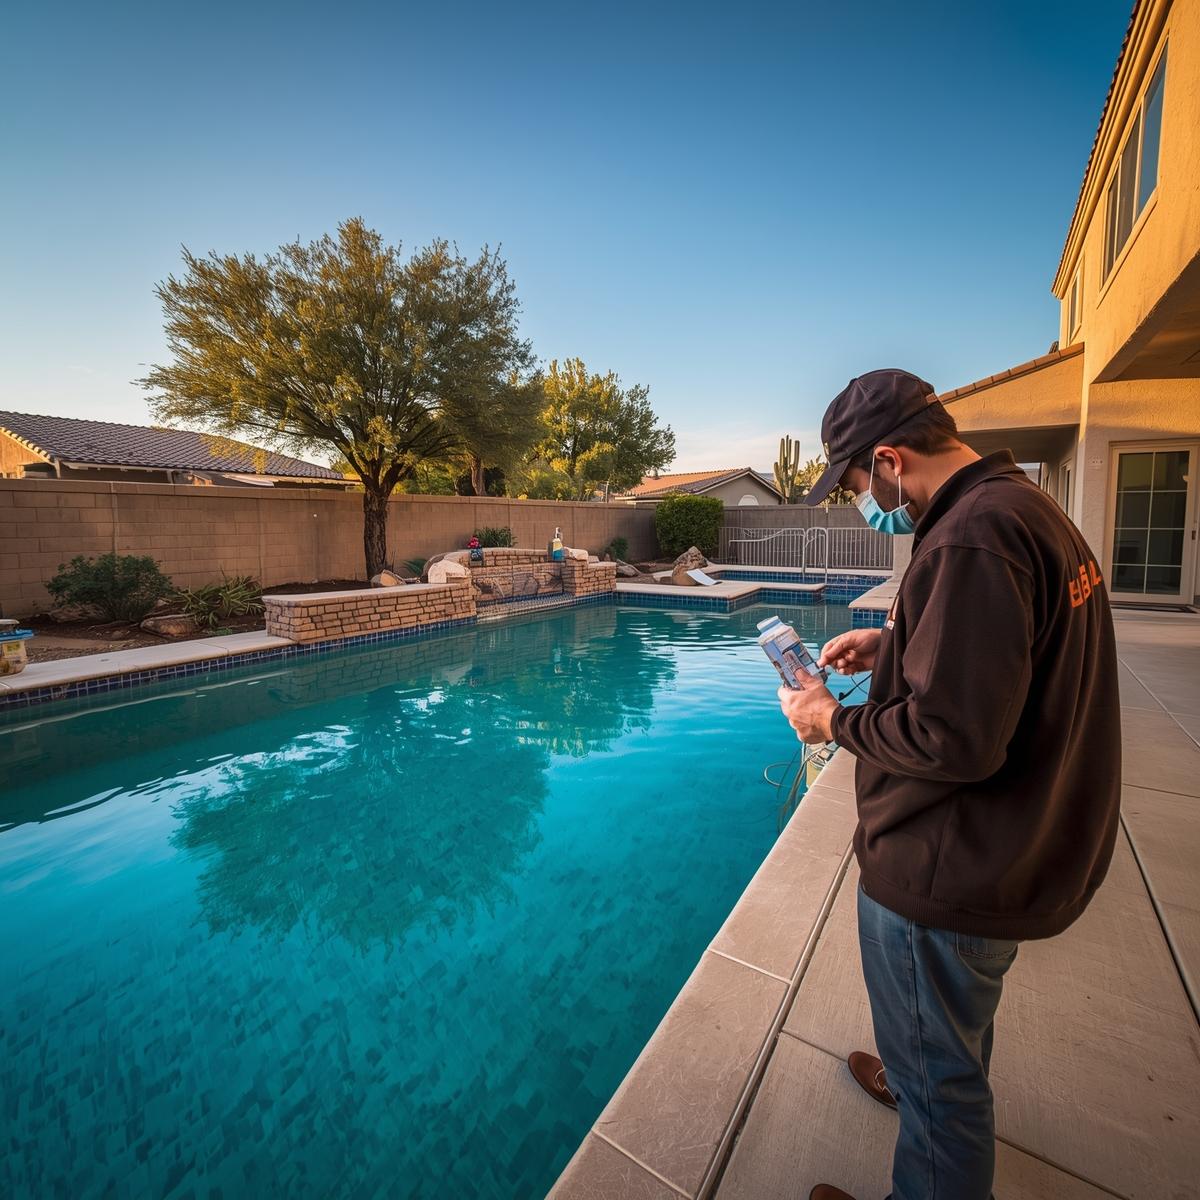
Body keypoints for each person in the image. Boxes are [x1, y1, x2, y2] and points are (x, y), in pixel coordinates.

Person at [777, 369, 1121, 1200]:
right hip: (1008, 847)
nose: (867, 503)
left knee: (947, 1090)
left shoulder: (971, 538)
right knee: (951, 1025)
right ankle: (917, 1067)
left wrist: (830, 723)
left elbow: (952, 739)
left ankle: (924, 1097)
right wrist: (889, 647)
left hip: (948, 868)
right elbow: (1002, 662)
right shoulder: (1021, 510)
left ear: (890, 461)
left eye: (859, 486)